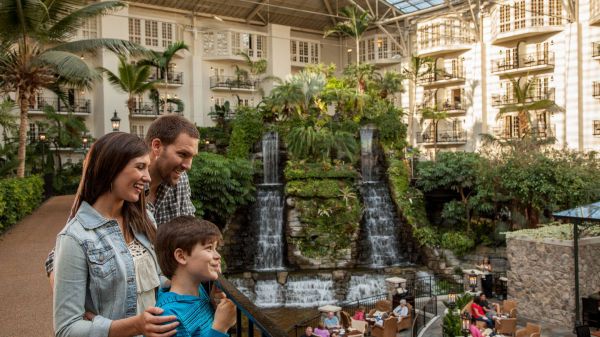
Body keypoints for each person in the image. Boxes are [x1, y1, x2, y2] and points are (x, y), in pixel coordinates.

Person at [46, 114, 200, 287]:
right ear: (156, 146)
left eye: (192, 156)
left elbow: (190, 235)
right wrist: (83, 310)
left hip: (160, 292)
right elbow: (61, 255)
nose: (188, 165)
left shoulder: (179, 180)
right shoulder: (121, 190)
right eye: (182, 154)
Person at [53, 132, 178, 337]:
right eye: (139, 167)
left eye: (147, 167)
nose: (147, 177)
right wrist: (135, 326)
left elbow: (158, 279)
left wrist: (194, 276)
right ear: (111, 168)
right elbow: (67, 329)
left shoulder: (145, 219)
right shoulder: (75, 238)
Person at [154, 216, 236, 337]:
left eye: (216, 248)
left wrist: (213, 305)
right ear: (181, 256)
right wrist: (220, 328)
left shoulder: (198, 292)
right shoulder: (168, 317)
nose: (218, 255)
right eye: (209, 248)